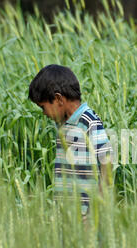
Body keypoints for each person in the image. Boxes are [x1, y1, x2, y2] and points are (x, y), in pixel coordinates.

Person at [28, 64, 112, 220]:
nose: (44, 113)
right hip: (66, 215)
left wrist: (94, 212)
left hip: (86, 217)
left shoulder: (88, 122)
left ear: (59, 99)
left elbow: (107, 164)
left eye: (43, 107)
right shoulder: (63, 124)